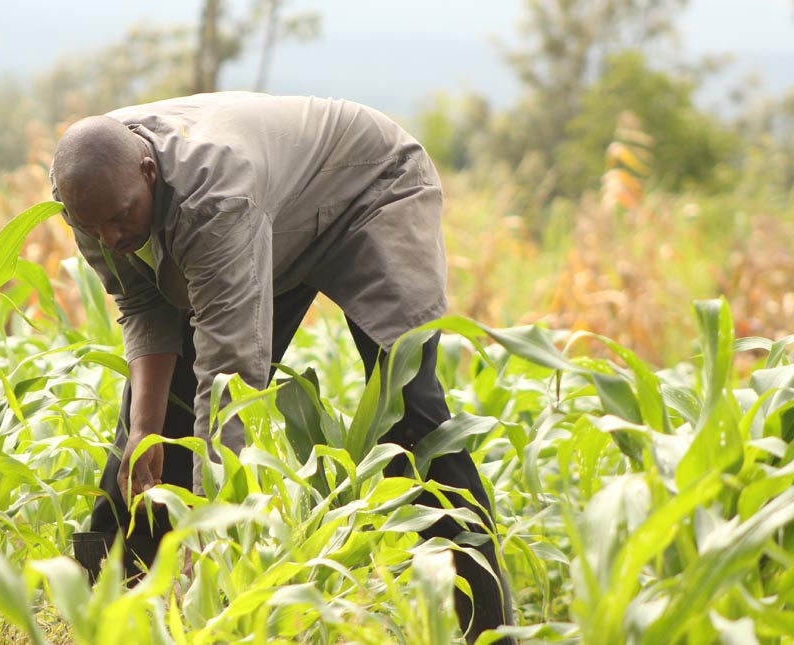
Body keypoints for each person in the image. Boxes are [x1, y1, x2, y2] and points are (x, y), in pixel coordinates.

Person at [50, 92, 514, 642]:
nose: (110, 239)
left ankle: (488, 626)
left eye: (121, 219)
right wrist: (146, 431)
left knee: (409, 417)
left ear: (149, 173)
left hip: (372, 190)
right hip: (280, 209)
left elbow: (229, 383)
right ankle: (106, 611)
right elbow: (146, 308)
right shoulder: (93, 192)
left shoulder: (213, 199)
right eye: (92, 227)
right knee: (156, 422)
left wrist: (211, 532)